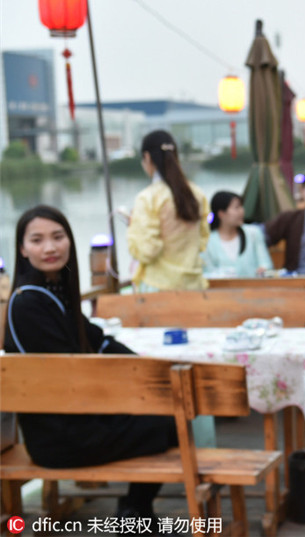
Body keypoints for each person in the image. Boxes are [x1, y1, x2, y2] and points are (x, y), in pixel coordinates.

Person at [4, 205, 178, 521]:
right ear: (22, 249)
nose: (50, 247)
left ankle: (136, 510)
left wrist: (149, 371)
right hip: (58, 436)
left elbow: (97, 340)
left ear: (69, 240)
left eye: (58, 237)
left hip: (75, 420)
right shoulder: (28, 302)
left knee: (164, 411)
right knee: (167, 422)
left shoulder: (53, 291)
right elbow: (72, 373)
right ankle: (134, 512)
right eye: (37, 240)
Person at [126, 130, 210, 292]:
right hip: (194, 286)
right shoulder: (197, 194)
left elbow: (147, 250)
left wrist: (133, 229)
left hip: (159, 288)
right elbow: (202, 241)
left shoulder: (148, 197)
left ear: (147, 157)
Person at [202, 190, 273, 278]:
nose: (241, 211)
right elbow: (207, 273)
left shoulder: (253, 233)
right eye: (236, 207)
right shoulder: (207, 241)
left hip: (254, 289)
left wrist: (263, 269)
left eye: (241, 206)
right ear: (221, 214)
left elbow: (266, 264)